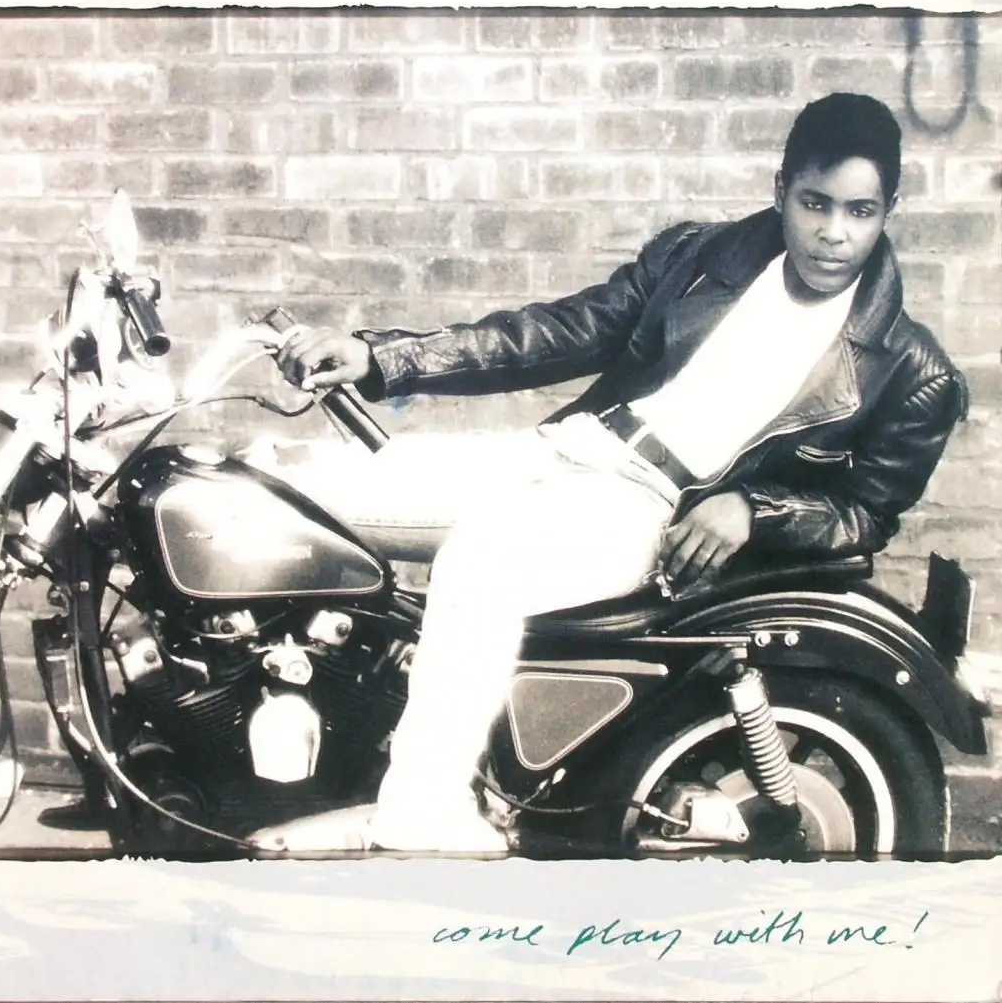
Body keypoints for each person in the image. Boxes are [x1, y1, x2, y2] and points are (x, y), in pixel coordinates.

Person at [271, 92, 968, 854]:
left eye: (860, 211)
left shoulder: (912, 370)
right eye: (815, 203)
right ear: (781, 190)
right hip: (566, 450)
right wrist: (384, 356)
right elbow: (561, 331)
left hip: (645, 509)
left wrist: (752, 508)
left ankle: (423, 809)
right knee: (288, 494)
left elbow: (865, 513)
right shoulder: (702, 259)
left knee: (486, 560)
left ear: (890, 209)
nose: (834, 232)